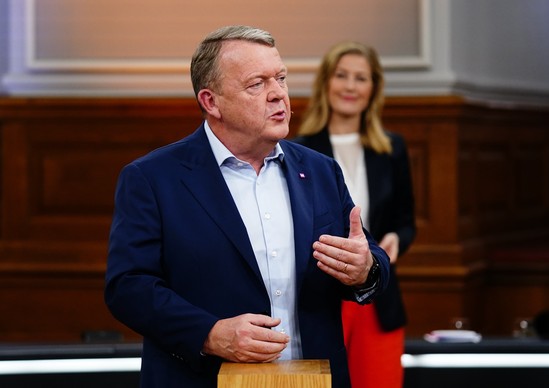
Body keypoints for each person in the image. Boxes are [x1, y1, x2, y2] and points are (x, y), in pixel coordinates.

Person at [104, 26, 390, 388]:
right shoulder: (152, 178)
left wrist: (366, 269)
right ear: (211, 102)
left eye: (281, 78)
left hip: (313, 378)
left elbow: (369, 258)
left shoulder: (319, 170)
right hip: (202, 379)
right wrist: (210, 333)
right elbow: (128, 287)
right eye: (257, 84)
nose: (278, 95)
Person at [294, 41, 416, 388]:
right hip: (319, 297)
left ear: (373, 88)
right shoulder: (298, 150)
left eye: (361, 78)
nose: (350, 86)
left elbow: (406, 221)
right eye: (341, 76)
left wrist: (395, 240)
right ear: (325, 83)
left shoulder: (392, 148)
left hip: (377, 297)